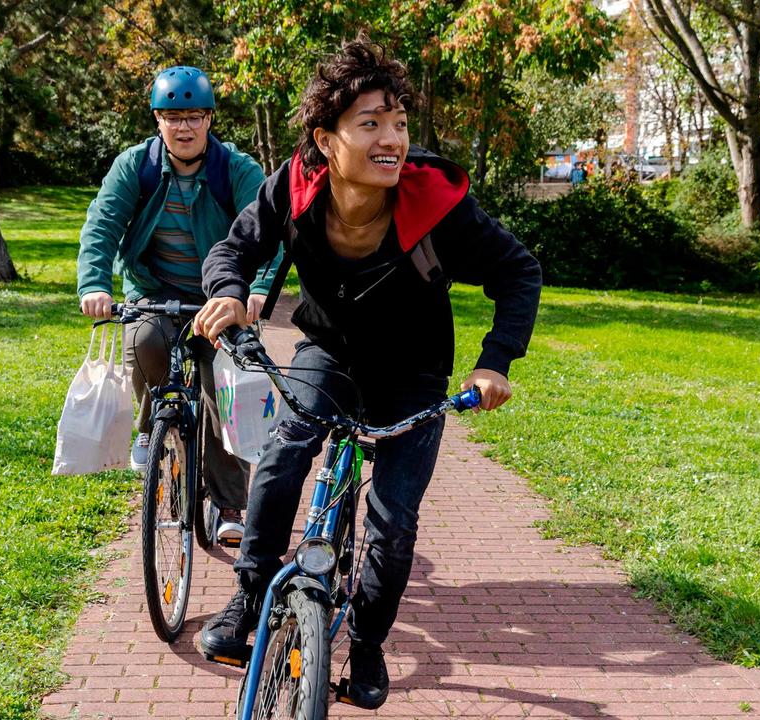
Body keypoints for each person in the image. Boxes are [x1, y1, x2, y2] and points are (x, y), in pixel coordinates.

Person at [192, 39, 541, 708]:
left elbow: (518, 270)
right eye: (371, 123)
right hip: (330, 353)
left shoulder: (436, 204)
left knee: (392, 520)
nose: (393, 138)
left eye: (400, 122)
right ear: (326, 139)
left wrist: (495, 360)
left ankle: (371, 644)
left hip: (414, 372)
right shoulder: (292, 189)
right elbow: (235, 247)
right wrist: (230, 290)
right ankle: (246, 600)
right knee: (285, 454)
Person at [77, 65, 280, 543]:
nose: (183, 126)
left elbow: (273, 233)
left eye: (193, 116)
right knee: (145, 337)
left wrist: (259, 288)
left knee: (223, 385)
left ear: (209, 120)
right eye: (173, 116)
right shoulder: (136, 166)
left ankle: (230, 502)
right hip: (155, 288)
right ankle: (151, 423)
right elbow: (102, 226)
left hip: (222, 294)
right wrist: (94, 285)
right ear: (157, 120)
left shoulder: (237, 170)